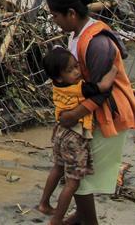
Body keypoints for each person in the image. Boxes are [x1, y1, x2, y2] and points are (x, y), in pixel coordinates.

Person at [45, 0, 135, 225]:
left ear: (71, 13)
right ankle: (81, 220)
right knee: (79, 178)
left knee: (80, 180)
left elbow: (100, 92)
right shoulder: (76, 34)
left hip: (109, 114)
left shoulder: (96, 43)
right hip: (93, 115)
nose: (54, 21)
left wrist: (72, 115)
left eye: (55, 16)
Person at [37, 47, 119, 224]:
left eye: (76, 66)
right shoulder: (78, 88)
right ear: (59, 77)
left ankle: (44, 203)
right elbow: (104, 86)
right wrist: (114, 68)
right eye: (70, 70)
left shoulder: (57, 86)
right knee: (73, 183)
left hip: (60, 132)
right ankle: (57, 219)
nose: (76, 72)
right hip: (75, 136)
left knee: (58, 168)